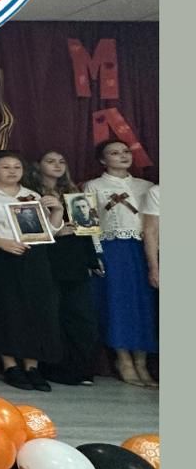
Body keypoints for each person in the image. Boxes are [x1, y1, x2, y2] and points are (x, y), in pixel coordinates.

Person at [0, 149, 63, 393]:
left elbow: (48, 232)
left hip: (33, 257)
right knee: (5, 310)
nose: (12, 172)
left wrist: (57, 211)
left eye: (17, 167)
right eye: (6, 167)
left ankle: (32, 366)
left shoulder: (31, 195)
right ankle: (10, 365)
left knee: (36, 310)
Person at [83, 140, 158, 387]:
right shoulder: (94, 186)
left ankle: (142, 362)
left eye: (126, 151)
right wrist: (94, 254)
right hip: (112, 249)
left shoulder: (146, 186)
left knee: (143, 305)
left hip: (142, 249)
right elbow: (88, 223)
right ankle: (123, 360)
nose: (122, 156)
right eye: (114, 153)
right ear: (102, 160)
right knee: (117, 304)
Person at [27, 151, 100, 387]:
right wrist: (58, 229)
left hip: (75, 258)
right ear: (38, 166)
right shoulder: (31, 194)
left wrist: (93, 259)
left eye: (61, 161)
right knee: (53, 314)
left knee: (81, 315)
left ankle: (82, 368)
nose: (57, 165)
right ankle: (55, 367)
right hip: (48, 257)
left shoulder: (75, 193)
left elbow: (88, 230)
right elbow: (31, 231)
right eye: (50, 161)